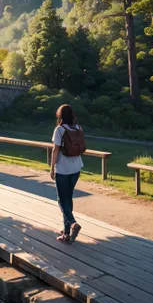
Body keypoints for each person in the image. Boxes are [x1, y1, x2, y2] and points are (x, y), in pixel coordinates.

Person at [50, 104, 83, 243]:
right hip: (76, 168)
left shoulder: (59, 129)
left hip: (63, 169)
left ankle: (73, 224)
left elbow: (55, 150)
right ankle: (67, 233)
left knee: (61, 200)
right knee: (68, 198)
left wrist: (52, 167)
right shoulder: (78, 128)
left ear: (60, 116)